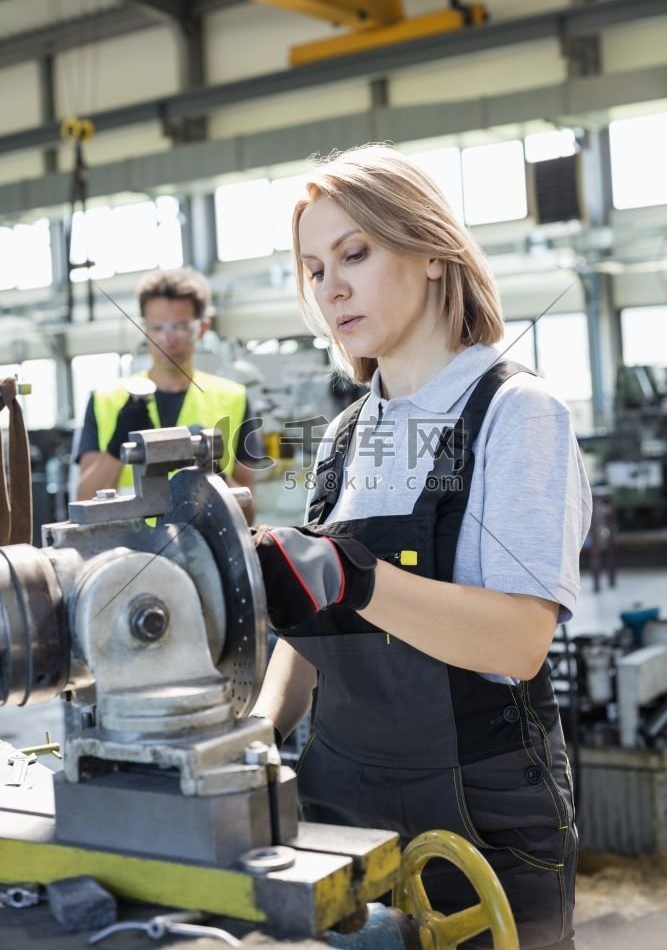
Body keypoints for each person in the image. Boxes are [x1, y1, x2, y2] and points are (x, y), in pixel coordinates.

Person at [251, 145, 592, 949]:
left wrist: (356, 578)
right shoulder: (342, 436)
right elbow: (312, 630)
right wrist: (257, 741)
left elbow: (515, 641)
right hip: (336, 797)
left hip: (473, 814)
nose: (329, 287)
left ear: (432, 253)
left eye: (354, 254)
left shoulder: (514, 413)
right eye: (311, 268)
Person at [76, 266, 260, 521]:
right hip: (127, 553)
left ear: (202, 328)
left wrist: (215, 472)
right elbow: (84, 501)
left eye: (181, 327)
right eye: (158, 327)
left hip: (203, 552)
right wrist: (116, 448)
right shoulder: (106, 398)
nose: (168, 339)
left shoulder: (233, 398)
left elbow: (248, 512)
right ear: (144, 329)